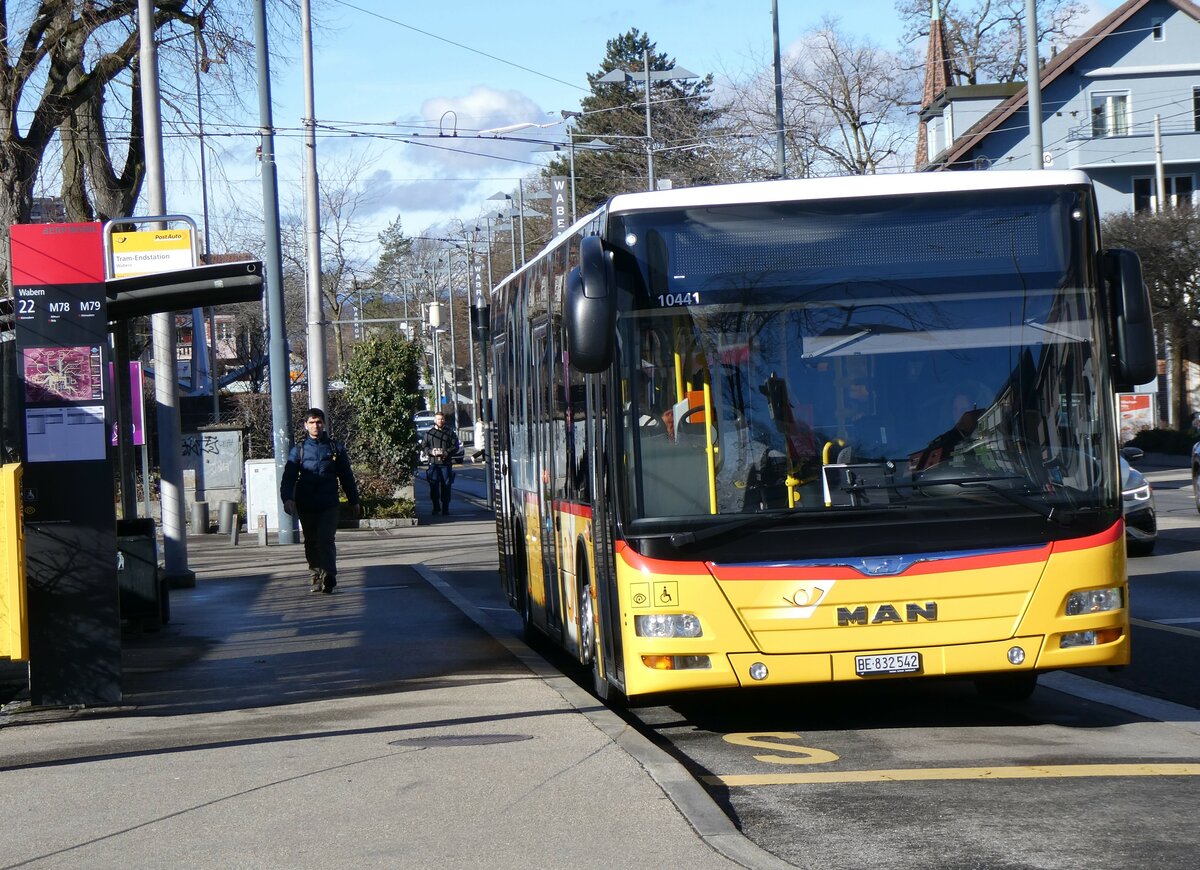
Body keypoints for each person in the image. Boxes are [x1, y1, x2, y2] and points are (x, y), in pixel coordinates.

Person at [281, 408, 361, 594]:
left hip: (329, 503)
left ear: (324, 424)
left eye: (318, 422)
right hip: (306, 504)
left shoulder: (335, 448)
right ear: (305, 425)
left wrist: (354, 500)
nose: (315, 426)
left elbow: (346, 476)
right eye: (312, 422)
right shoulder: (299, 450)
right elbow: (288, 477)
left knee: (326, 539)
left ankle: (329, 575)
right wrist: (287, 498)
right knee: (311, 541)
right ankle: (316, 575)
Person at [421, 412, 460, 515]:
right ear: (435, 420)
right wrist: (430, 451)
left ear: (444, 420)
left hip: (446, 464)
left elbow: (456, 446)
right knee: (433, 485)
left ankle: (445, 508)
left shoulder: (450, 433)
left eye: (442, 419)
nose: (440, 421)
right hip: (433, 463)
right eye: (438, 419)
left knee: (446, 486)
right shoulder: (429, 433)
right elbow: (424, 446)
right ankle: (436, 507)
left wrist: (446, 452)